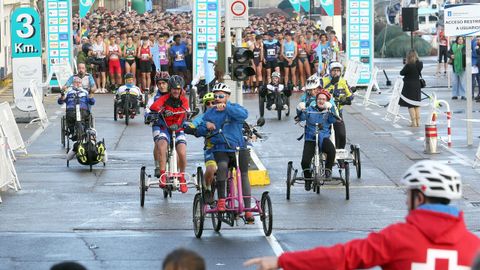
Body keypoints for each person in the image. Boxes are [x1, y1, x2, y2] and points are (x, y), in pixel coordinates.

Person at [245, 160, 480, 270]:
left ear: (419, 198)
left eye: (408, 195)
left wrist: (283, 261)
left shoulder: (397, 238)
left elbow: (342, 257)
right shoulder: (474, 246)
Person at [195, 83, 253, 222]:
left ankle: (248, 209)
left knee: (243, 174)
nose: (218, 98)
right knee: (221, 166)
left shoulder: (234, 107)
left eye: (221, 96)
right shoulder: (211, 112)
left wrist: (227, 108)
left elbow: (243, 115)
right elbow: (200, 127)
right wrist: (206, 126)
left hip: (239, 148)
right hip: (221, 148)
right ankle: (221, 199)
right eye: (216, 96)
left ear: (227, 97)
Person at [149, 75, 189, 193]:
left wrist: (186, 117)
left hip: (178, 129)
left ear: (181, 89)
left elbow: (186, 111)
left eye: (178, 89)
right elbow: (153, 106)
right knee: (161, 146)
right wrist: (162, 110)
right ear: (170, 89)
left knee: (182, 151)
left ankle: (182, 177)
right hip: (165, 128)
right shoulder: (164, 98)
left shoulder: (184, 100)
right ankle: (162, 175)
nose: (176, 91)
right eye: (174, 89)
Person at [297, 90, 337, 190]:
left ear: (327, 101)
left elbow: (333, 120)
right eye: (319, 99)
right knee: (305, 162)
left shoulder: (328, 110)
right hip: (311, 138)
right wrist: (300, 109)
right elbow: (301, 118)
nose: (321, 101)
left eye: (323, 99)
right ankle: (307, 179)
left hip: (323, 138)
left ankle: (328, 170)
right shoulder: (310, 109)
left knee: (332, 150)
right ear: (316, 100)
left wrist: (331, 110)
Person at [184, 92, 217, 203]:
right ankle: (207, 186)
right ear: (205, 106)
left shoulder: (226, 114)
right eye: (208, 103)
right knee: (211, 169)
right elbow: (192, 125)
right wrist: (190, 128)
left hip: (226, 148)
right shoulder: (202, 118)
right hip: (210, 148)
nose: (211, 105)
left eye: (214, 102)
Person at [320, 62, 352, 149]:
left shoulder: (343, 81)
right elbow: (318, 93)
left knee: (341, 135)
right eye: (334, 70)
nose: (336, 73)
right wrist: (330, 84)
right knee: (323, 134)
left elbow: (350, 95)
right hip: (324, 113)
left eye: (338, 71)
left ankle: (340, 154)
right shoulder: (323, 80)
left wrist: (346, 99)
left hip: (337, 113)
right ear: (330, 71)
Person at [58, 77, 95, 141]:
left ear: (81, 84)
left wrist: (91, 96)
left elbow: (92, 102)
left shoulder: (85, 92)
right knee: (70, 119)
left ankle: (85, 131)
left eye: (79, 82)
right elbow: (60, 102)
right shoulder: (68, 92)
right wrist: (62, 96)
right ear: (73, 83)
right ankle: (73, 132)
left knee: (85, 119)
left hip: (83, 110)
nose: (77, 84)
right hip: (71, 110)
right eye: (76, 82)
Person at [399, 50, 423, 128]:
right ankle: (418, 122)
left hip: (409, 86)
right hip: (417, 85)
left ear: (408, 56)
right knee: (416, 103)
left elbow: (401, 73)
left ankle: (413, 123)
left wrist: (406, 64)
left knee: (410, 104)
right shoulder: (420, 64)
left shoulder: (409, 65)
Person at [448, 36, 466, 100]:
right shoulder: (453, 46)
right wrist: (451, 55)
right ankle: (454, 95)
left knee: (462, 82)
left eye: (462, 39)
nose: (461, 40)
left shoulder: (465, 47)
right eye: (459, 39)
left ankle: (463, 95)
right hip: (454, 66)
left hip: (462, 66)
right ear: (457, 40)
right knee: (454, 81)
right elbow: (448, 53)